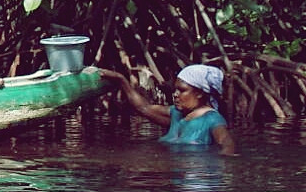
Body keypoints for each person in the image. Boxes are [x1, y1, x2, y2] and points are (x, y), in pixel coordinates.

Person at [101, 64, 236, 155]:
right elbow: (143, 107)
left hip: (196, 175)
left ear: (200, 93)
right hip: (175, 176)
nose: (175, 94)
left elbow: (227, 144)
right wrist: (121, 80)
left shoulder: (211, 119)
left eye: (182, 90)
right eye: (175, 89)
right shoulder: (176, 114)